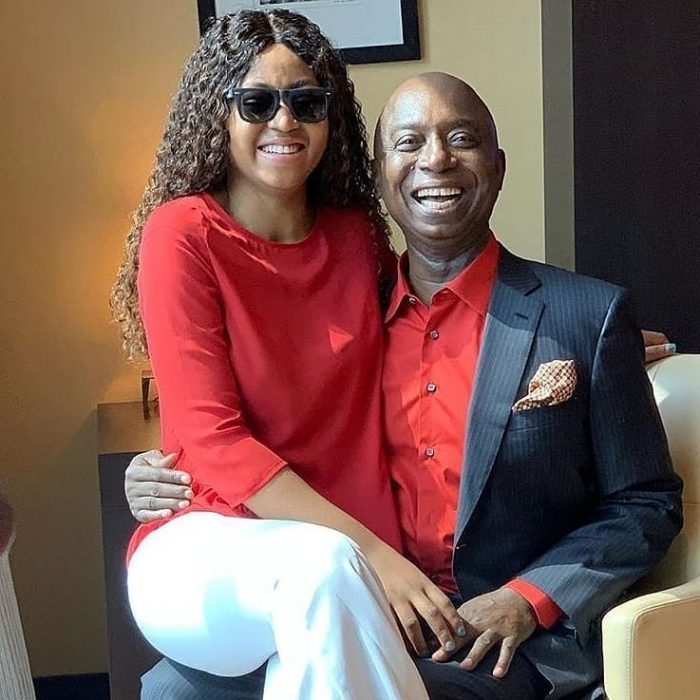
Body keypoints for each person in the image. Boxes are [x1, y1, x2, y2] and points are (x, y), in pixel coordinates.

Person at [127, 70, 682, 700]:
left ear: (499, 167)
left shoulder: (583, 317)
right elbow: (263, 422)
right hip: (360, 596)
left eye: (461, 139)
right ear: (381, 174)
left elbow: (646, 501)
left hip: (493, 635)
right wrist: (158, 468)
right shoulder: (348, 317)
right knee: (172, 689)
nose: (436, 159)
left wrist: (528, 599)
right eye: (409, 142)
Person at [112, 11, 475, 700]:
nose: (285, 121)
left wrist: (564, 339)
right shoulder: (182, 234)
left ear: (329, 118)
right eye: (257, 102)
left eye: (306, 102)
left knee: (323, 620)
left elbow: (430, 331)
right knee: (326, 571)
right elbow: (212, 439)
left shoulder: (356, 238)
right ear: (218, 114)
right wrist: (375, 556)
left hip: (337, 567)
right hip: (204, 551)